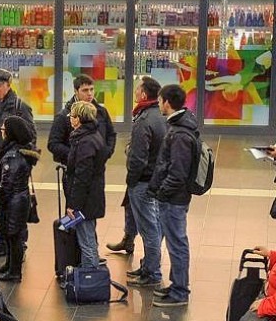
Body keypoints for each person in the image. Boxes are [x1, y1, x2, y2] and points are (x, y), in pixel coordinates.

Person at [148, 84, 197, 308]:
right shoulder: (181, 126)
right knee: (176, 243)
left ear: (167, 102)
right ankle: (177, 285)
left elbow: (177, 173)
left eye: (159, 101)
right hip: (173, 198)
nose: (159, 105)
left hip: (174, 200)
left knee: (177, 244)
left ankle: (180, 291)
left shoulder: (179, 134)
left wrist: (161, 193)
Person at [123, 76, 167, 287]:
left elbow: (139, 157)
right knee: (154, 227)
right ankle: (148, 266)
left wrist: (131, 180)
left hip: (143, 182)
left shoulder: (143, 120)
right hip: (156, 179)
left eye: (137, 88)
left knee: (149, 230)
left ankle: (152, 274)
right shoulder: (160, 117)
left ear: (143, 94)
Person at [0, 116, 39, 282]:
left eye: (4, 128)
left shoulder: (12, 156)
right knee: (11, 235)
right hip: (20, 198)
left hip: (13, 201)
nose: (1, 130)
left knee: (14, 236)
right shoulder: (22, 151)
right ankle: (10, 265)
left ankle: (14, 272)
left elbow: (7, 183)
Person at [65, 101, 107, 268]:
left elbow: (82, 177)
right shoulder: (94, 136)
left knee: (86, 241)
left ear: (79, 119)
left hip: (85, 201)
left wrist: (73, 205)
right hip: (93, 197)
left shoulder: (85, 142)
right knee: (88, 237)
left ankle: (90, 278)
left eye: (73, 116)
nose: (70, 119)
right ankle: (91, 275)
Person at [48, 74, 116, 167]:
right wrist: (75, 155)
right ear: (76, 91)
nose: (89, 93)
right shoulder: (64, 116)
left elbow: (111, 134)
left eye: (91, 89)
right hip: (74, 169)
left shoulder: (101, 112)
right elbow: (53, 144)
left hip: (97, 169)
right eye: (85, 90)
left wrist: (106, 153)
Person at [0, 68, 36, 149]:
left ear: (8, 85)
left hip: (8, 157)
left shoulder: (20, 106)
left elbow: (31, 137)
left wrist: (17, 157)